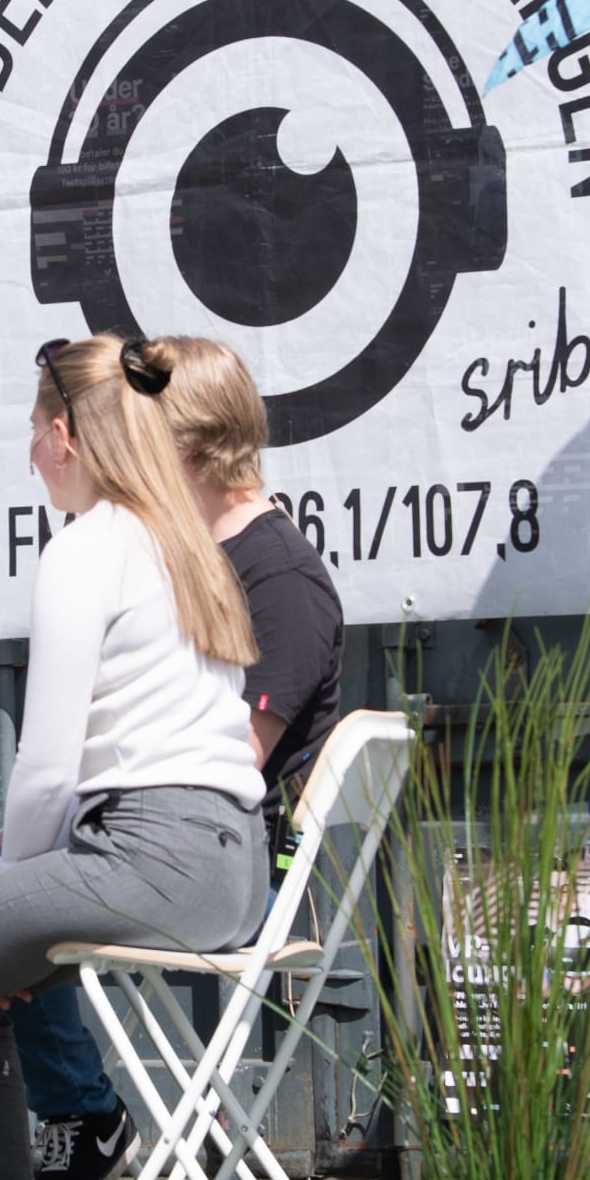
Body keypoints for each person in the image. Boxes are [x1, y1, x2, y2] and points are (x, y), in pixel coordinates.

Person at [0, 336, 345, 1180]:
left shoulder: (257, 572)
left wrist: (25, 869)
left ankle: (45, 1154)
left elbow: (219, 763)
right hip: (158, 847)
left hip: (168, 854)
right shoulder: (183, 551)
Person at [159, 337, 344, 837]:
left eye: (136, 436)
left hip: (223, 866)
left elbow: (229, 767)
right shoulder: (191, 557)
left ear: (185, 446)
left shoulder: (281, 581)